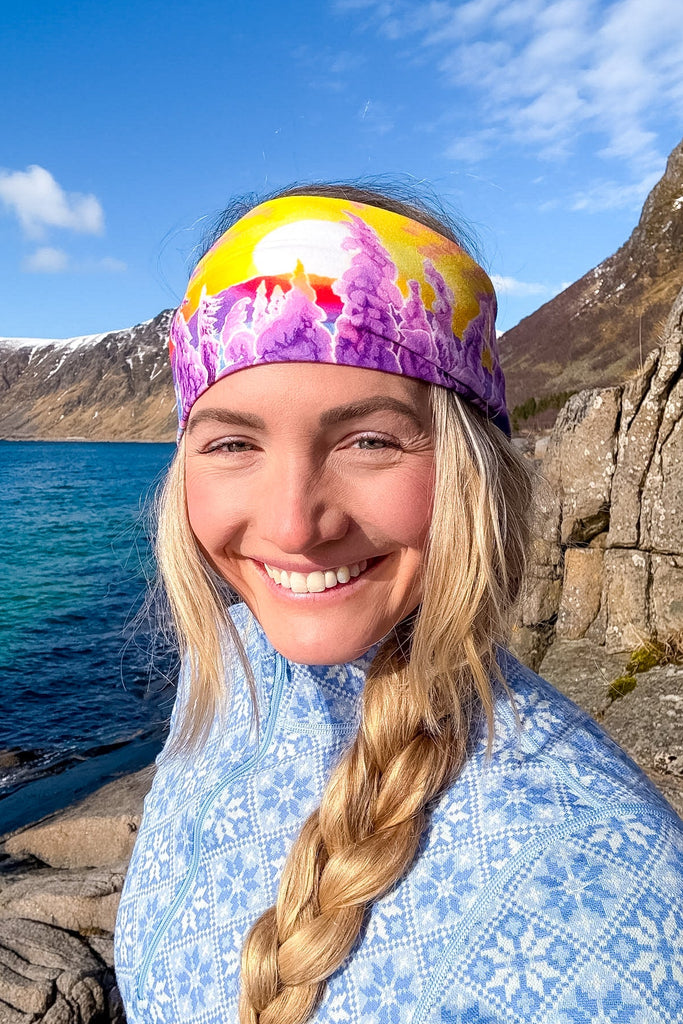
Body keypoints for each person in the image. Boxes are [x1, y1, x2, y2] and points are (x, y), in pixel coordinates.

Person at [114, 184, 683, 1024]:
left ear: (470, 468)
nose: (292, 526)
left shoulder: (611, 905)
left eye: (370, 441)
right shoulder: (228, 666)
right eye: (233, 442)